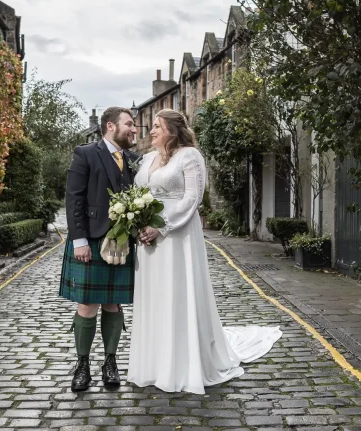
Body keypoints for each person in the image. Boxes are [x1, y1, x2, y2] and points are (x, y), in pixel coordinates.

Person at [127, 109, 283, 395]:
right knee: (155, 296)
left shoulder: (190, 156)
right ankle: (153, 363)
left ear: (173, 130)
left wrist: (162, 227)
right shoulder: (147, 159)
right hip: (148, 242)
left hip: (177, 235)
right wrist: (138, 222)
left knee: (177, 294)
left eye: (157, 126)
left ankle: (184, 363)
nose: (151, 131)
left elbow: (192, 198)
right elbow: (139, 196)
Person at [60, 107, 138, 392]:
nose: (134, 129)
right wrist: (79, 240)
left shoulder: (132, 158)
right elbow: (74, 198)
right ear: (110, 126)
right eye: (129, 124)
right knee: (87, 304)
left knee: (113, 303)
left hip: (121, 241)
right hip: (91, 239)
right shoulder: (86, 153)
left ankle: (110, 362)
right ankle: (82, 365)